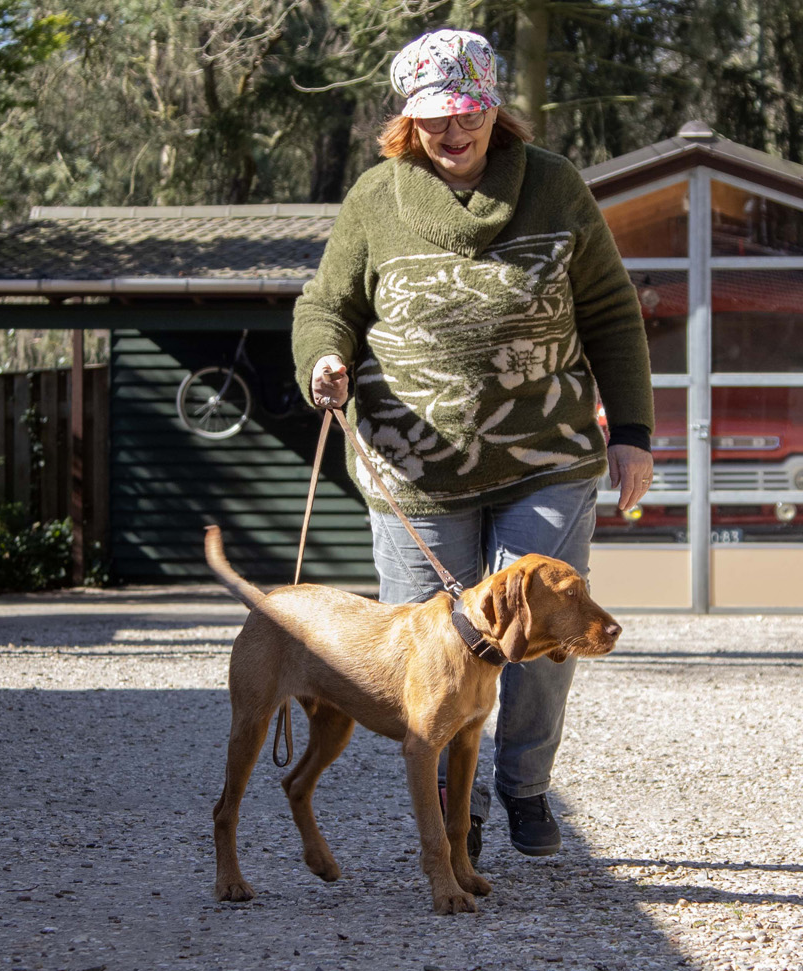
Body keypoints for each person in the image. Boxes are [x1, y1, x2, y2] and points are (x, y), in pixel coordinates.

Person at [292, 28, 654, 861]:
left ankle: (523, 788)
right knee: (432, 655)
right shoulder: (376, 197)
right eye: (430, 120)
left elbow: (609, 313)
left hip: (546, 460)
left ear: (494, 108)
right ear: (405, 120)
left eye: (465, 115)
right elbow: (326, 304)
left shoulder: (556, 188)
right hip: (411, 467)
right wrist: (323, 353)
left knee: (549, 635)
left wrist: (631, 431)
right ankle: (459, 820)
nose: (450, 134)